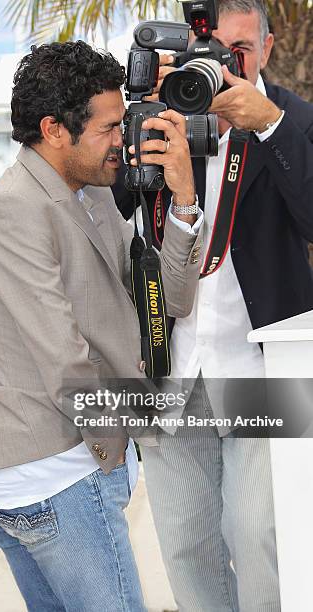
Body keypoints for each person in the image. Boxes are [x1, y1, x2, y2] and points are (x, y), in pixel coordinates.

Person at [0, 41, 203, 611]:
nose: (123, 140)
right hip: (53, 476)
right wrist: (122, 450)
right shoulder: (15, 208)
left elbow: (169, 302)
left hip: (61, 473)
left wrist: (184, 201)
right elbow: (66, 363)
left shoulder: (89, 195)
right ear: (54, 129)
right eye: (109, 128)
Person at [112, 1, 313, 611]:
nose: (224, 65)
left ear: (269, 49)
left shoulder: (294, 119)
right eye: (213, 50)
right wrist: (149, 110)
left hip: (257, 370)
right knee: (186, 549)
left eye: (241, 52)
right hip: (170, 370)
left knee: (262, 544)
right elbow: (109, 214)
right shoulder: (156, 117)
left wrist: (270, 124)